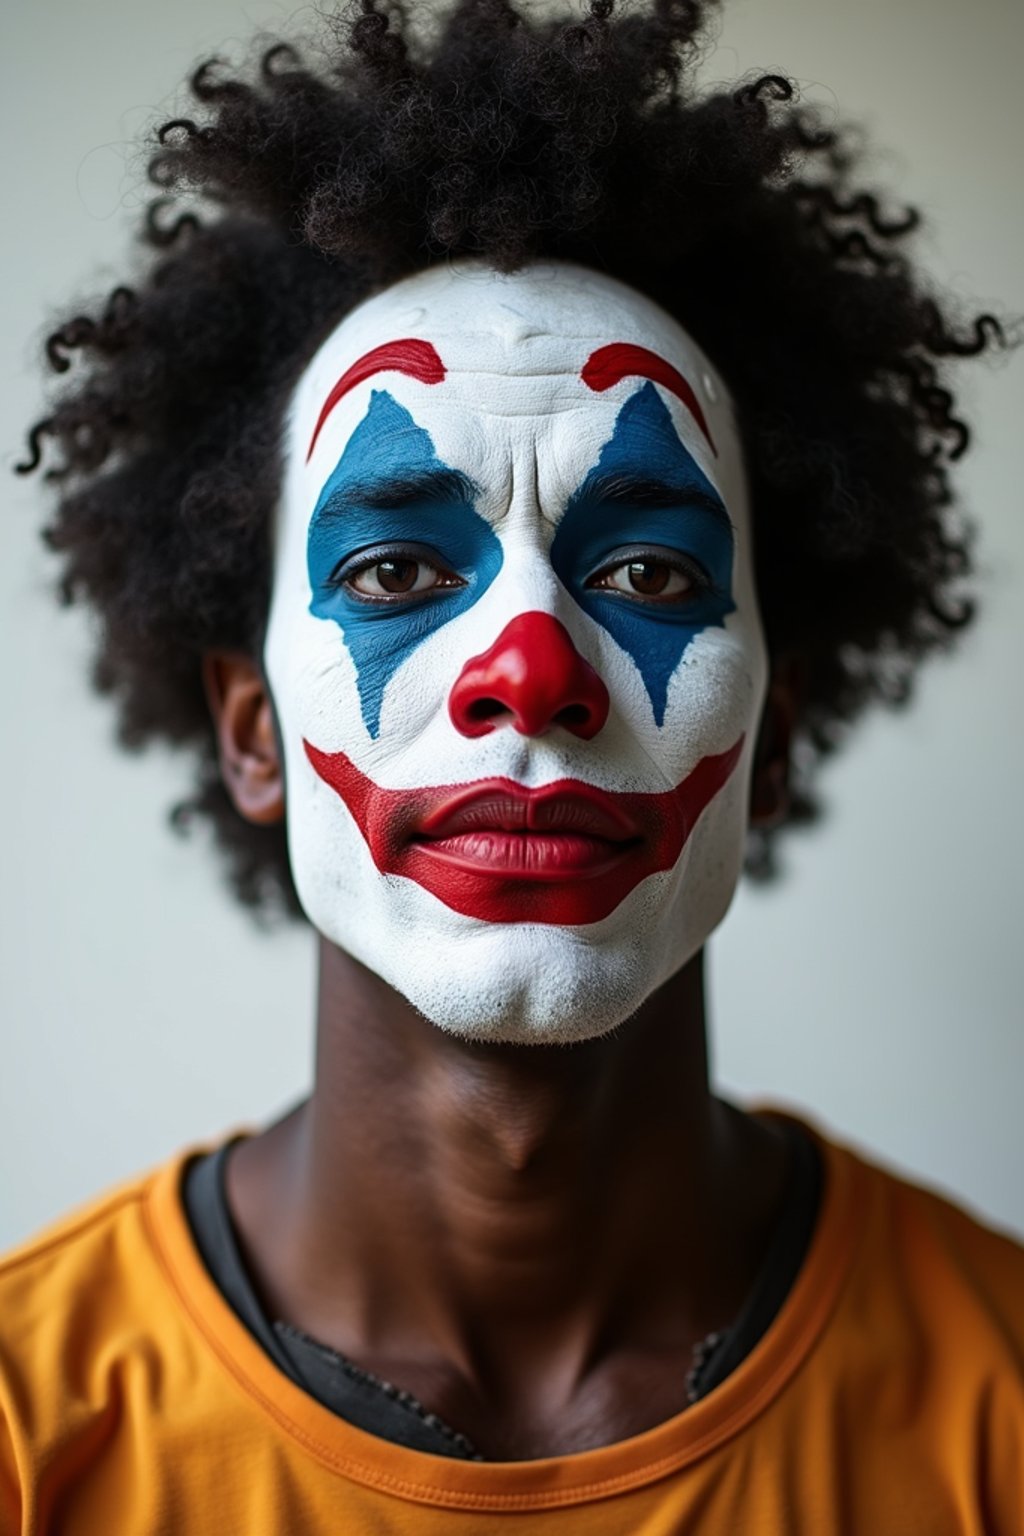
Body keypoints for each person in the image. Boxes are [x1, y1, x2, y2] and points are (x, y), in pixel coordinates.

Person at [2, 1, 1021, 1530]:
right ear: (251, 730)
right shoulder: (33, 1428)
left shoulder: (997, 1396)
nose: (529, 677)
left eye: (658, 579)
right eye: (401, 570)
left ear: (778, 735)